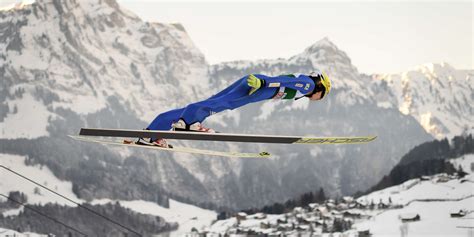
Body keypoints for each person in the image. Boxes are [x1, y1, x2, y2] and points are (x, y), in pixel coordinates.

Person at [139, 70, 331, 148]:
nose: (319, 98)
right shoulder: (309, 85)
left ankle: (152, 133)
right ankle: (189, 123)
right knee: (225, 103)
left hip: (259, 84)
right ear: (320, 87)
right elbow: (287, 81)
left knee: (216, 101)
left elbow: (288, 81)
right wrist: (265, 82)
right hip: (260, 87)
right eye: (323, 95)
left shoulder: (306, 85)